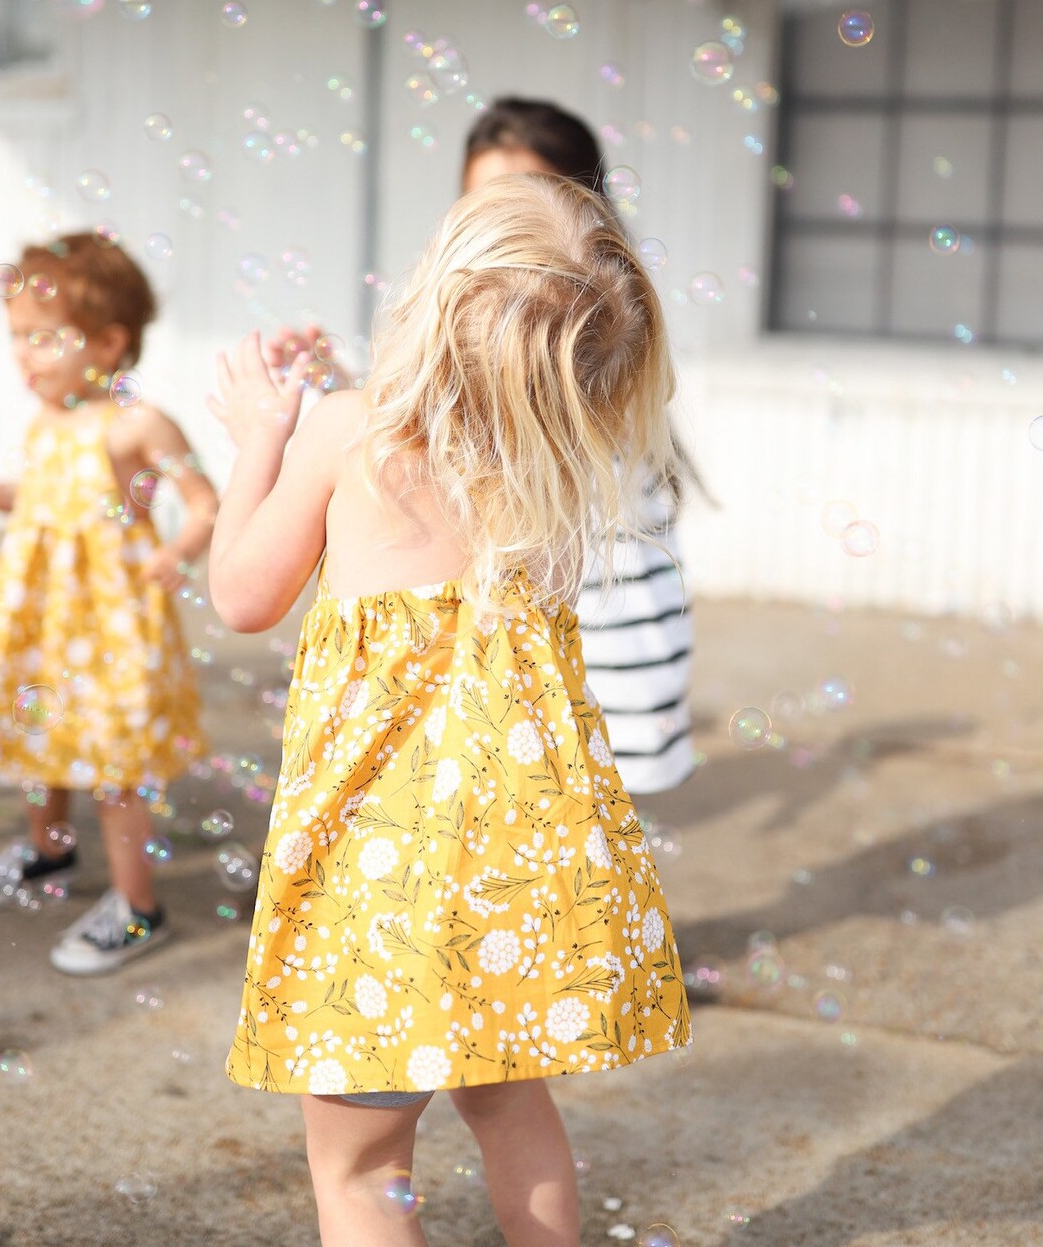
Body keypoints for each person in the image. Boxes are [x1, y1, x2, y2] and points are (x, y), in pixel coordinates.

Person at [210, 174, 692, 1247]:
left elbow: (241, 593)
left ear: (431, 295)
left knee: (361, 1167)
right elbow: (457, 439)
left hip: (375, 881)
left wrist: (259, 439)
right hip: (515, 875)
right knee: (512, 1104)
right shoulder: (557, 470)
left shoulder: (343, 437)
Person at [267, 96, 699, 797]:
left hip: (613, 648)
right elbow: (454, 450)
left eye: (525, 193)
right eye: (483, 197)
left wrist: (352, 413)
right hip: (537, 657)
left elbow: (480, 441)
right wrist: (356, 395)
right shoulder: (578, 340)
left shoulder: (584, 335)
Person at [0, 232, 217, 974]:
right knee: (41, 737)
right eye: (17, 338)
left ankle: (137, 908)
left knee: (115, 766)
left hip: (112, 623)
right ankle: (47, 851)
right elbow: (34, 499)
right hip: (43, 621)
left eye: (43, 339)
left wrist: (176, 551)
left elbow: (203, 500)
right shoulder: (47, 422)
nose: (24, 356)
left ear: (109, 339)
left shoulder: (137, 423)